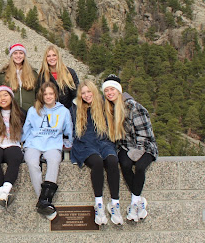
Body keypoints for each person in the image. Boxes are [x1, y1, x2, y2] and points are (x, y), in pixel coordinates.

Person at [102, 74, 158, 222]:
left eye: (112, 89)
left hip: (144, 145)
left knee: (140, 167)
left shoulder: (133, 107)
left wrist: (137, 151)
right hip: (125, 147)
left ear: (119, 90)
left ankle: (135, 202)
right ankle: (139, 202)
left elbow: (145, 133)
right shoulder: (109, 109)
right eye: (106, 90)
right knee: (125, 165)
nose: (109, 93)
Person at [71, 80, 122, 225]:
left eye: (89, 92)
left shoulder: (104, 105)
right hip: (85, 144)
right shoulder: (76, 108)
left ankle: (115, 203)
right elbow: (73, 130)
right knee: (98, 162)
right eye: (84, 93)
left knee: (112, 160)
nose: (87, 95)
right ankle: (98, 203)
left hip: (103, 142)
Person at [22, 81, 72, 220]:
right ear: (41, 95)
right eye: (45, 94)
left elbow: (68, 131)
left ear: (55, 95)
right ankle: (43, 200)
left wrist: (69, 143)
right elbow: (26, 129)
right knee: (32, 162)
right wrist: (22, 142)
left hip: (53, 143)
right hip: (34, 142)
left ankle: (44, 200)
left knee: (54, 160)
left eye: (51, 94)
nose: (48, 96)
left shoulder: (63, 111)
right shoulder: (34, 110)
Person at [0, 86, 25, 208]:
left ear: (11, 97)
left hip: (13, 142)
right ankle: (1, 190)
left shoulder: (21, 112)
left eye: (5, 95)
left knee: (15, 156)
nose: (2, 98)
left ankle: (5, 190)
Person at [36, 45, 78, 109]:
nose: (51, 58)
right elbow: (39, 97)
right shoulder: (42, 76)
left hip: (68, 112)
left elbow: (76, 95)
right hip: (49, 112)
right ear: (46, 59)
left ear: (58, 56)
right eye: (48, 56)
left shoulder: (70, 73)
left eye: (54, 55)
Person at [0, 43, 38, 111]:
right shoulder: (2, 75)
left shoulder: (33, 74)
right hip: (12, 113)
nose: (18, 56)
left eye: (21, 53)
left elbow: (38, 94)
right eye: (15, 53)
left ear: (24, 55)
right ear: (11, 55)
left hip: (30, 113)